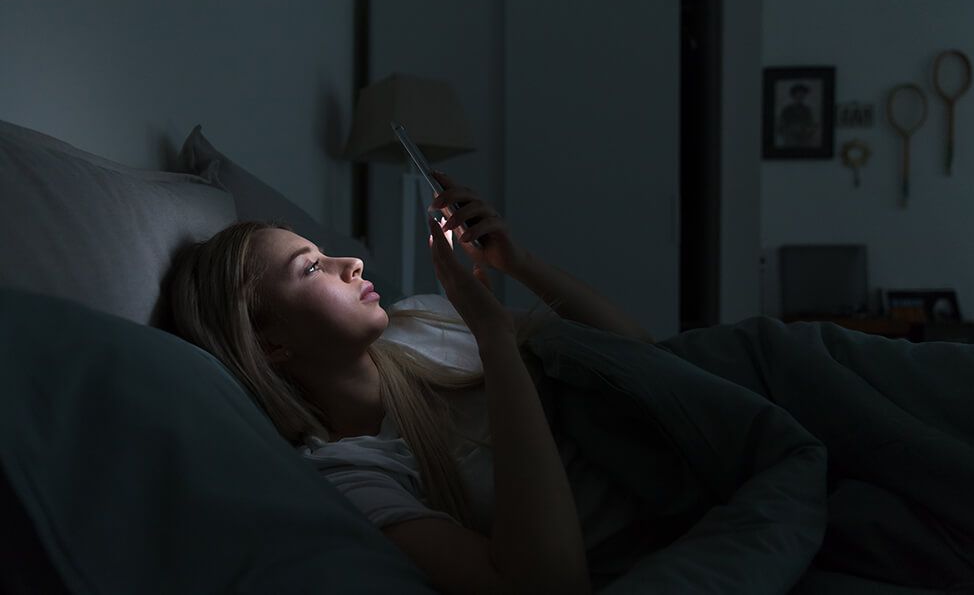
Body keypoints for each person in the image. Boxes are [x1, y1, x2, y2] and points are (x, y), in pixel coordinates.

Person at [166, 170, 657, 595]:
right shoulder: (350, 475)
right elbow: (548, 586)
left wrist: (520, 263)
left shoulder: (422, 318)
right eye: (312, 268)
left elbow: (643, 355)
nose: (352, 263)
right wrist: (495, 340)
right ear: (271, 343)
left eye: (325, 254)